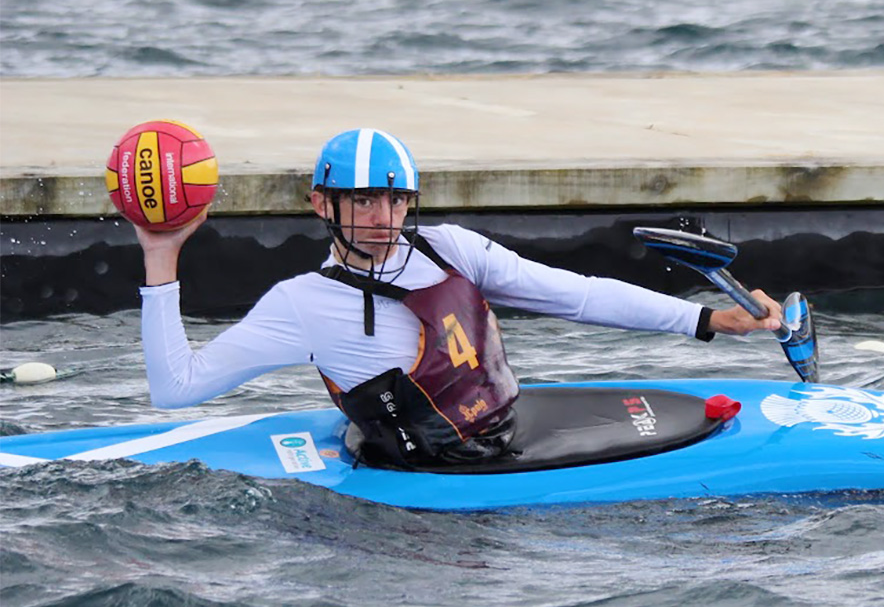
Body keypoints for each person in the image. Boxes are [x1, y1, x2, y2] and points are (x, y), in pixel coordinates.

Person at [137, 127, 782, 468]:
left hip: (506, 430)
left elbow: (578, 297)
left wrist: (705, 318)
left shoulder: (450, 249)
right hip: (437, 475)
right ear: (322, 204)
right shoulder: (301, 304)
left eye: (395, 200)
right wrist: (161, 254)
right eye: (363, 200)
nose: (383, 218)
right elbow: (176, 388)